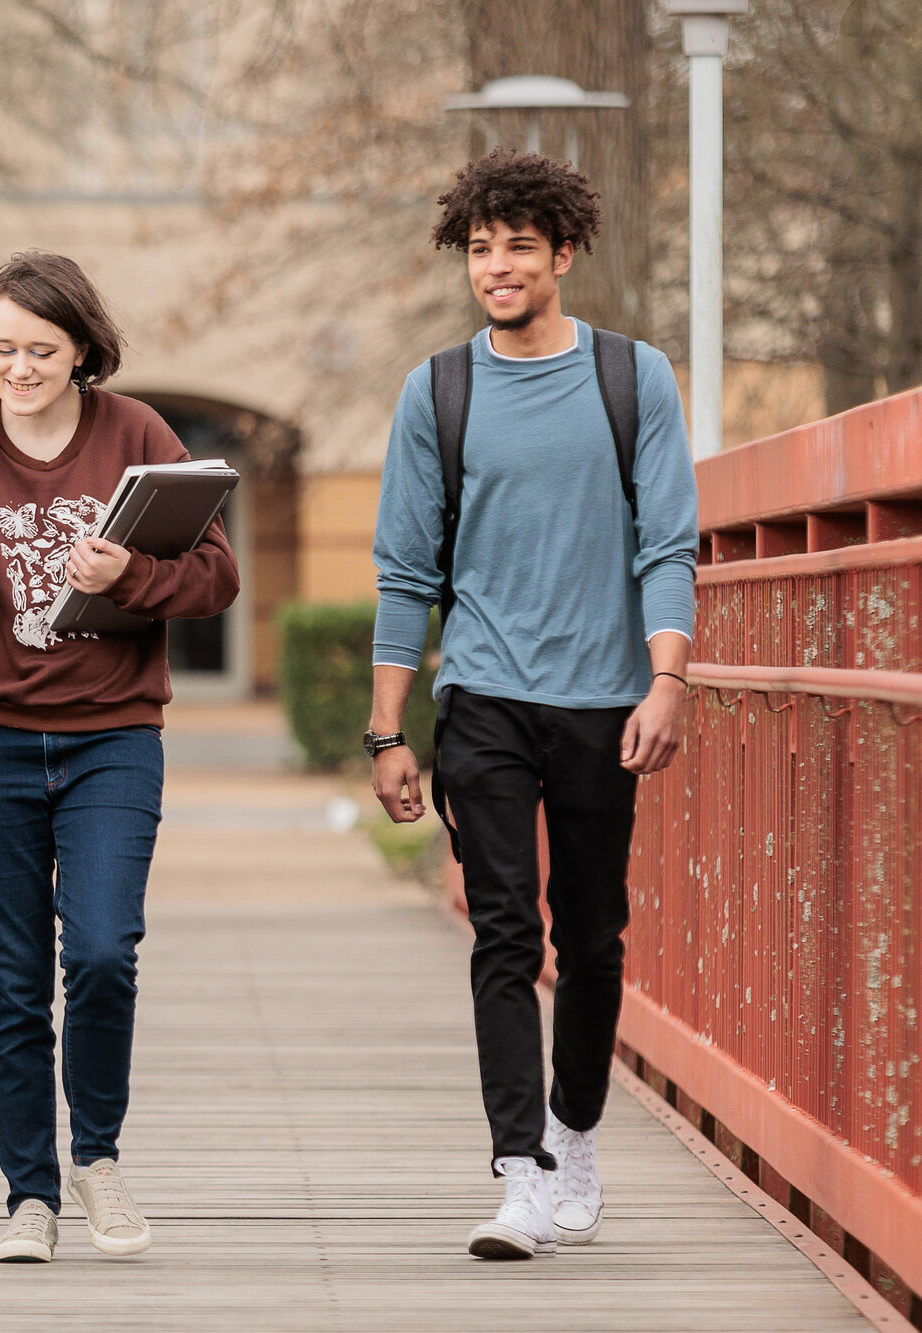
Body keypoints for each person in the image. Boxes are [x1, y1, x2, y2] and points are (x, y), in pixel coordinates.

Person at [367, 149, 699, 1259]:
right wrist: (385, 729)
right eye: (478, 249)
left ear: (560, 254)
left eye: (517, 246)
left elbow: (664, 542)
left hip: (607, 700)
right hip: (483, 698)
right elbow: (404, 569)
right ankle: (518, 1170)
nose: (496, 266)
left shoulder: (631, 377)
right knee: (502, 930)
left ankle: (576, 1128)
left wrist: (666, 678)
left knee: (591, 936)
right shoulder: (438, 390)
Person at [0, 251, 239, 1263]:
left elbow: (215, 578)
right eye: (1, 350)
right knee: (11, 975)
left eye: (40, 349)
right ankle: (26, 1196)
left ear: (81, 349)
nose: (19, 368)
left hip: (110, 738)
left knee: (98, 951)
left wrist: (131, 574)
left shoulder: (138, 437)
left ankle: (100, 1156)